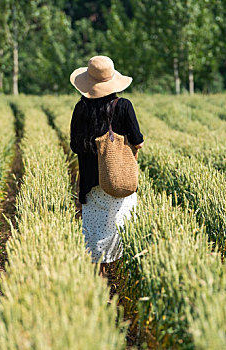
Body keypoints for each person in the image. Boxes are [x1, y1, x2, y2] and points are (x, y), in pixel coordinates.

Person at [69, 55, 144, 283]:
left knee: (95, 230)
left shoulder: (81, 109)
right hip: (118, 179)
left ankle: (99, 279)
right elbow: (138, 140)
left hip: (92, 181)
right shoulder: (124, 106)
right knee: (122, 226)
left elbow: (74, 145)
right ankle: (123, 280)